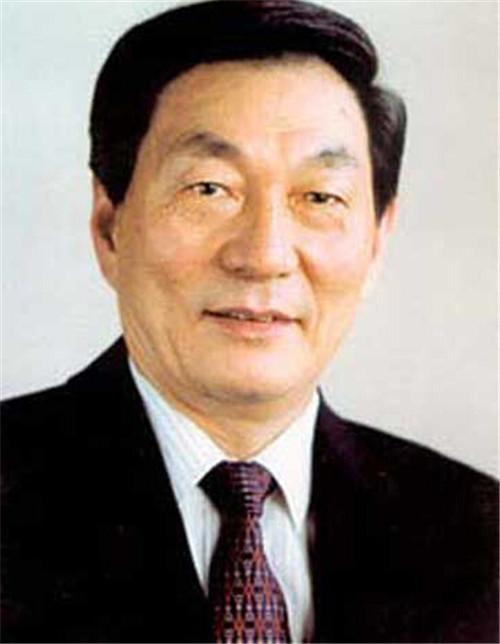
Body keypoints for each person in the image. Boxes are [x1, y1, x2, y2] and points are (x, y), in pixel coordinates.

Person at [1, 1, 497, 642]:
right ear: (109, 227)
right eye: (209, 189)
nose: (264, 255)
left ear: (377, 241)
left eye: (319, 196)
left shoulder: (478, 539)